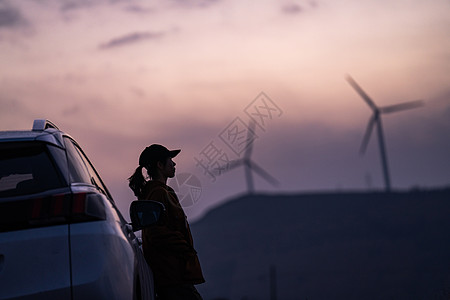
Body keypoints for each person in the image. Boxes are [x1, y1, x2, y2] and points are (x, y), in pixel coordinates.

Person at [128, 144, 205, 300]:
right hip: (171, 275)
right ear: (160, 165)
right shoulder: (158, 193)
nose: (174, 164)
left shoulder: (156, 192)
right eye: (170, 160)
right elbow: (155, 231)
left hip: (172, 274)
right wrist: (184, 246)